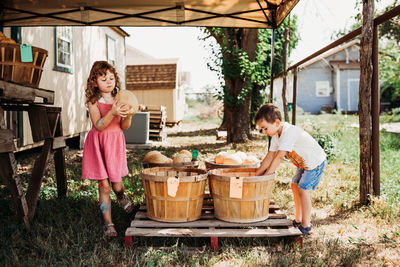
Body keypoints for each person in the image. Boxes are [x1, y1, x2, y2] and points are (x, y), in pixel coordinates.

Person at [254, 103, 327, 235]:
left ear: (276, 123)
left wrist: (267, 176)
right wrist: (255, 175)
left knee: (302, 189)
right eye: (262, 129)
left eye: (265, 128)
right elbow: (270, 156)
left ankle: (306, 225)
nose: (264, 132)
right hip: (304, 164)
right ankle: (298, 219)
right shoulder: (276, 134)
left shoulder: (289, 132)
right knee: (294, 185)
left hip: (315, 162)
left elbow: (279, 157)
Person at [82, 61, 134, 237]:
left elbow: (124, 126)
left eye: (111, 78)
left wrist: (129, 115)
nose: (109, 81)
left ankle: (120, 197)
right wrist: (112, 112)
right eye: (103, 79)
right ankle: (108, 223)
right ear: (95, 82)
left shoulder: (121, 98)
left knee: (117, 185)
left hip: (114, 144)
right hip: (98, 145)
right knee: (104, 186)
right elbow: (99, 126)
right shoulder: (93, 101)